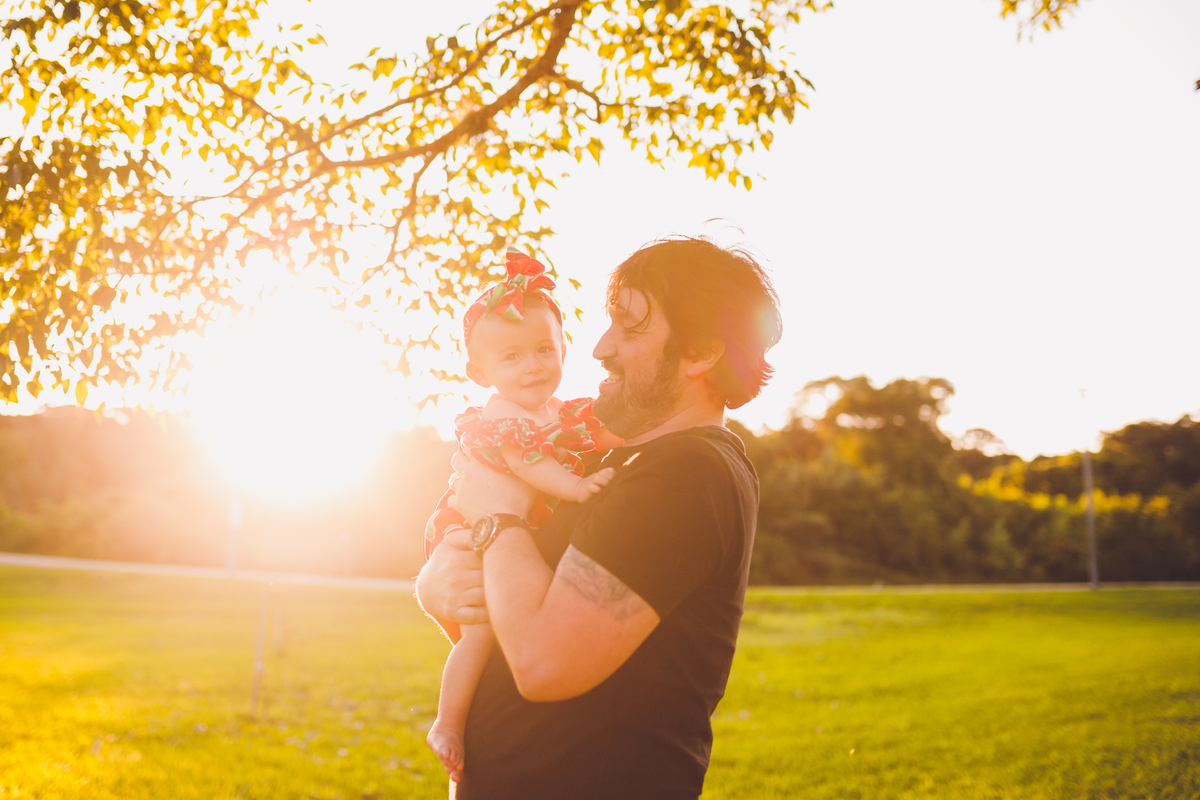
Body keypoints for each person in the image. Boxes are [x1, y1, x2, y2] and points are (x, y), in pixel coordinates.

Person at [417, 236, 782, 799]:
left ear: (700, 351)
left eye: (628, 326)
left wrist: (495, 518)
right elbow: (514, 626)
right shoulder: (618, 461)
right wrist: (439, 588)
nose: (599, 348)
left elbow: (543, 663)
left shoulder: (688, 474)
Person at [423, 249, 618, 782]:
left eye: (543, 349)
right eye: (512, 357)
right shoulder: (503, 416)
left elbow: (595, 430)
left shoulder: (553, 411)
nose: (532, 365)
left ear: (562, 349)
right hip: (466, 526)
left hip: (507, 522)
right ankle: (448, 721)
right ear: (479, 372)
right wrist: (577, 487)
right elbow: (529, 464)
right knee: (481, 632)